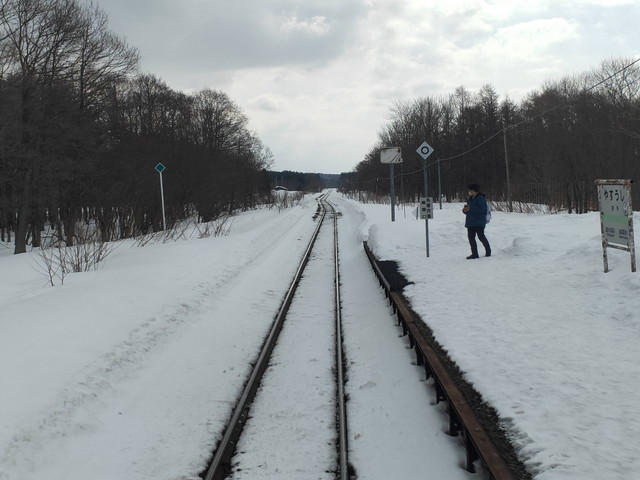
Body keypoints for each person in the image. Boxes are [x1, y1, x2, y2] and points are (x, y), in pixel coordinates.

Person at [462, 183, 491, 259]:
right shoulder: (470, 199)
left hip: (479, 222)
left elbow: (482, 209)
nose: (469, 192)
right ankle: (474, 254)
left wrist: (470, 209)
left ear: (473, 190)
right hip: (470, 222)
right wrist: (465, 210)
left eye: (470, 190)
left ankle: (488, 251)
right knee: (471, 238)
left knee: (481, 236)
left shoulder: (480, 198)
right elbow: (468, 209)